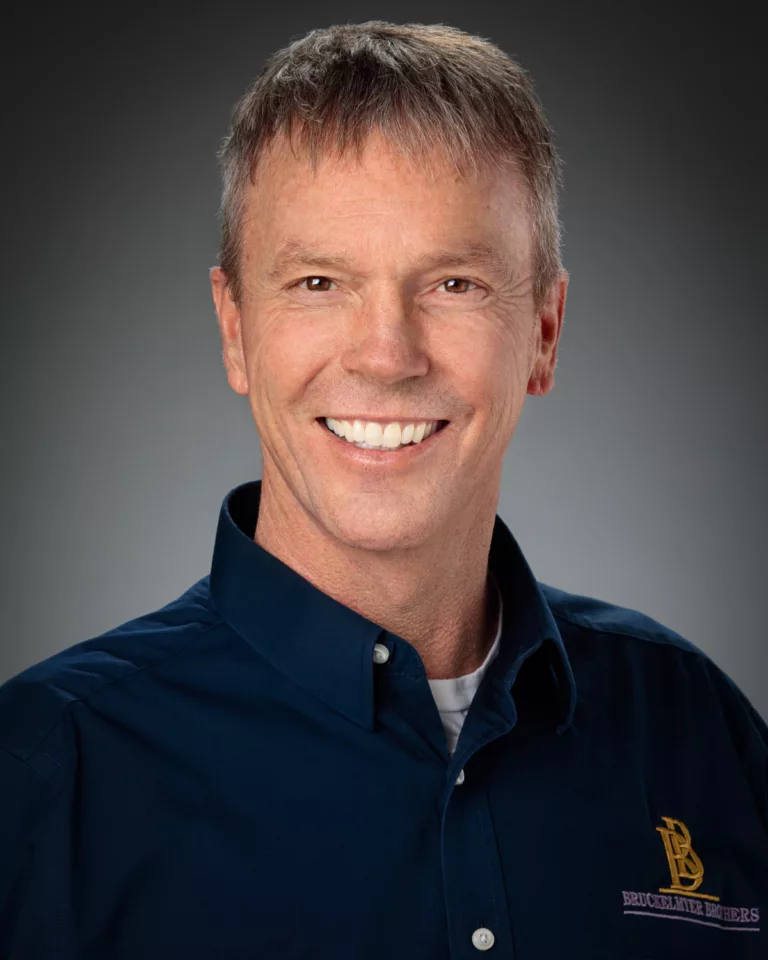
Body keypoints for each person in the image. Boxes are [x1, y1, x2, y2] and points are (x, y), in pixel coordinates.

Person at [1, 19, 766, 959]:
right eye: (320, 281)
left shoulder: (704, 735)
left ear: (545, 333)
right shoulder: (40, 776)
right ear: (235, 330)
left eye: (453, 283)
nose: (387, 356)